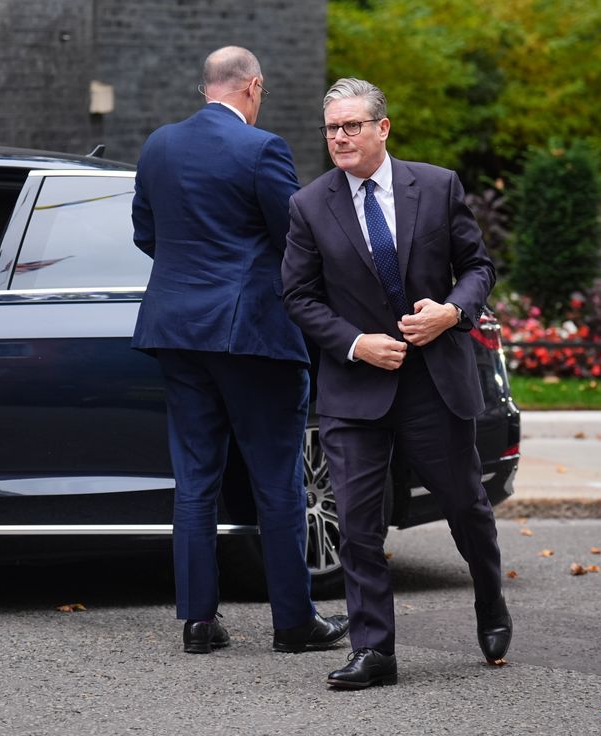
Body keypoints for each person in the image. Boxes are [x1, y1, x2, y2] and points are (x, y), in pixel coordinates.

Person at [281, 78, 512, 689]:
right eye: (332, 127)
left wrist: (451, 313)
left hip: (433, 382)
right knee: (357, 523)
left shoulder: (436, 186)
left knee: (466, 507)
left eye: (352, 125)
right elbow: (298, 296)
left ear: (383, 128)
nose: (340, 137)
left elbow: (479, 267)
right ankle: (374, 649)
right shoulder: (309, 206)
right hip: (355, 388)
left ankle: (489, 597)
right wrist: (355, 343)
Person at [131, 46, 348, 655]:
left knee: (194, 480)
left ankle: (199, 623)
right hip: (251, 334)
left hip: (176, 332)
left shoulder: (159, 145)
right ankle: (294, 623)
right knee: (277, 481)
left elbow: (146, 232)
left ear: (208, 89)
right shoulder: (262, 149)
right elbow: (297, 243)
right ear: (254, 87)